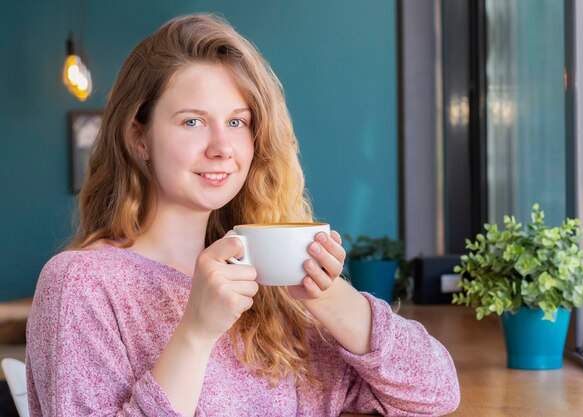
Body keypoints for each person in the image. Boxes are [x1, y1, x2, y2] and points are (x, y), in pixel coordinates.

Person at [26, 14, 460, 417]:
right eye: (193, 122)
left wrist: (326, 295)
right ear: (139, 138)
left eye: (237, 122)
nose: (222, 147)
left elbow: (435, 392)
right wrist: (194, 334)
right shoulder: (82, 284)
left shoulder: (277, 290)